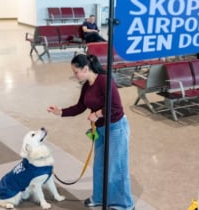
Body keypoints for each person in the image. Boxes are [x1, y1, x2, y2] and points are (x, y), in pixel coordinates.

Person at [47, 54, 135, 210]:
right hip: (100, 129)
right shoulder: (87, 85)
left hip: (116, 127)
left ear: (86, 68)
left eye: (76, 72)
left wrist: (97, 114)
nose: (74, 75)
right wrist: (60, 111)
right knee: (99, 166)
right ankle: (99, 197)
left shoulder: (105, 81)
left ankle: (125, 204)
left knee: (117, 167)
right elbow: (80, 107)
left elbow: (115, 107)